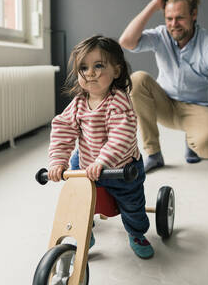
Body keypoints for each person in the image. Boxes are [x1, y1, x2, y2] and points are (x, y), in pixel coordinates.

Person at [119, 0, 208, 189]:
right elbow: (127, 41)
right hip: (165, 104)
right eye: (169, 18)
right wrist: (153, 5)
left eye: (180, 18)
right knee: (137, 80)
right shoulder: (161, 35)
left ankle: (193, 143)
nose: (173, 24)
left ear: (194, 15)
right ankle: (153, 153)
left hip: (198, 109)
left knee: (207, 146)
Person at [47, 35, 154, 259]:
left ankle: (136, 234)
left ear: (116, 71)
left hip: (121, 169)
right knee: (76, 199)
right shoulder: (77, 103)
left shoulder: (119, 101)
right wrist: (58, 161)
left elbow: (120, 136)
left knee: (132, 205)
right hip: (86, 164)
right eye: (83, 67)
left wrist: (102, 162)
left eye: (98, 66)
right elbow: (63, 129)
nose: (91, 73)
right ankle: (84, 230)